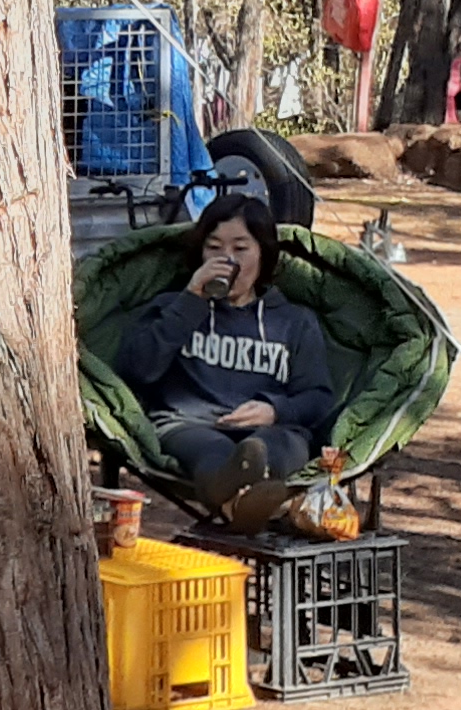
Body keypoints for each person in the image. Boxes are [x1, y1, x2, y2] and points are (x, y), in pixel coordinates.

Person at [112, 197, 338, 495]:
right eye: (214, 247)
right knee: (213, 450)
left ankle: (245, 493)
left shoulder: (294, 321)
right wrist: (192, 300)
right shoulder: (173, 307)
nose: (227, 259)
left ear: (264, 254)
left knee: (277, 447)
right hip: (189, 424)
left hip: (270, 429)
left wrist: (276, 410)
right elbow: (136, 370)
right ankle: (246, 496)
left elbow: (318, 398)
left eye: (240, 249)